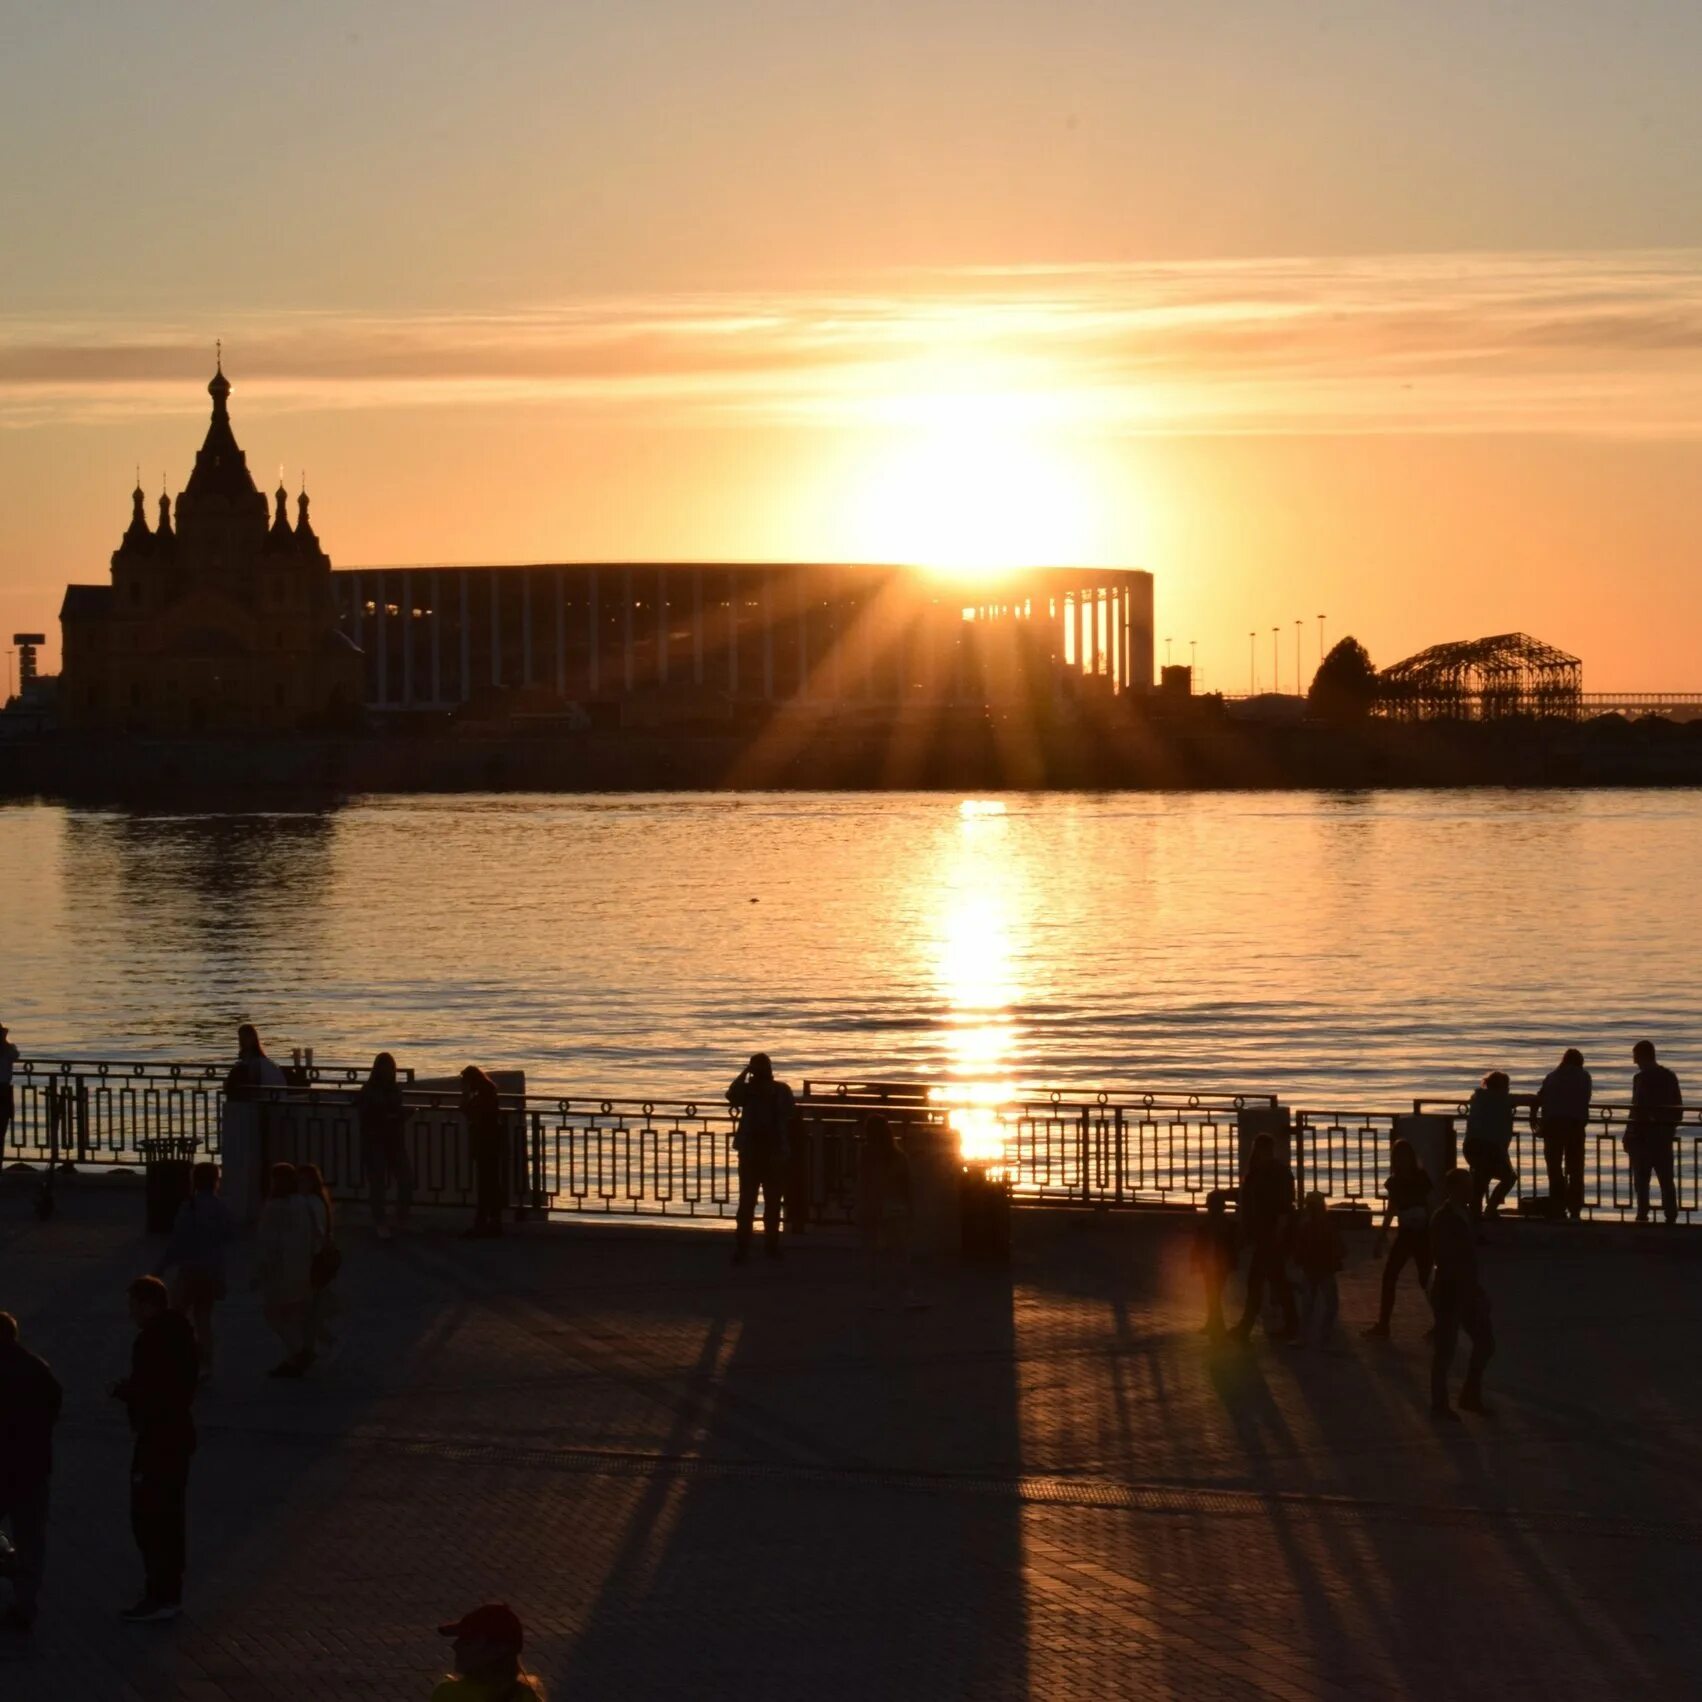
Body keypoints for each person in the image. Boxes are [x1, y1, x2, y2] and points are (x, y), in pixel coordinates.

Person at [109, 1275, 197, 1620]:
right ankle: (166, 1589)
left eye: (134, 1306)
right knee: (168, 1516)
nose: (131, 1314)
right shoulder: (181, 1336)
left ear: (148, 1305)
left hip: (159, 1438)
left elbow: (155, 1391)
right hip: (176, 1435)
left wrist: (126, 1392)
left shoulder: (152, 1341)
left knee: (150, 1517)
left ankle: (161, 1593)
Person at [0, 1312, 62, 1635]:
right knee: (31, 1542)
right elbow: (54, 1409)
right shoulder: (39, 1369)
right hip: (32, 1469)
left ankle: (6, 1560)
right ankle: (25, 1606)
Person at [156, 1162, 234, 1382]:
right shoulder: (221, 1207)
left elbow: (176, 1244)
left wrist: (159, 1269)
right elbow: (230, 1234)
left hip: (190, 1270)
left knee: (175, 1316)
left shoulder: (189, 1207)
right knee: (203, 1319)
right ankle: (206, 1364)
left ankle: (176, 1360)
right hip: (212, 1270)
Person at [1429, 1168, 1495, 1420]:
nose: (1471, 1191)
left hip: (1466, 1291)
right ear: (1453, 1189)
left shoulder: (1465, 1214)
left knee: (1486, 1343)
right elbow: (1446, 1260)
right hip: (1450, 1292)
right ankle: (1439, 1403)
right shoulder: (1443, 1218)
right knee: (1445, 1351)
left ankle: (1469, 1394)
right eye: (1465, 1186)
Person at [726, 1053, 796, 1264]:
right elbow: (791, 1115)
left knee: (747, 1203)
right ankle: (771, 1246)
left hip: (752, 1154)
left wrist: (745, 1073)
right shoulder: (782, 1090)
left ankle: (743, 1247)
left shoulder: (749, 1091)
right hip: (774, 1154)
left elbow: (730, 1094)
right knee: (772, 1203)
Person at [1231, 1133, 1299, 1344]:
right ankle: (1287, 1324)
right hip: (1263, 1235)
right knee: (1272, 1281)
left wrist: (1279, 1234)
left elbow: (1284, 1208)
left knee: (1265, 1281)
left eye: (1265, 1150)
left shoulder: (1278, 1173)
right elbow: (1249, 1207)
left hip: (1272, 1236)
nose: (1262, 1154)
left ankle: (1249, 1326)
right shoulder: (1257, 1174)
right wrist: (1245, 1233)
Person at [252, 1164, 318, 1377]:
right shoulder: (301, 1203)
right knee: (293, 1314)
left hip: (280, 1272)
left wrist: (259, 1273)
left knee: (273, 1313)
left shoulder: (273, 1208)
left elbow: (267, 1245)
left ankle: (298, 1352)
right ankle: (294, 1357)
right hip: (301, 1268)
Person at [1364, 1139, 1434, 1339]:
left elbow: (1429, 1206)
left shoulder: (1421, 1178)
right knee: (1389, 1276)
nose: (1402, 1160)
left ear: (1411, 1158)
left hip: (1421, 1233)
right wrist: (1381, 1235)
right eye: (1399, 1156)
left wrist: (1433, 1232)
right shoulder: (1394, 1182)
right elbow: (1391, 1209)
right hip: (1405, 1233)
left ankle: (1441, 1323)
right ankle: (1383, 1325)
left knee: (1425, 1279)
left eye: (1405, 1156)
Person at [220, 1023, 288, 1225]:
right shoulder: (254, 1064)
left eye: (244, 1037)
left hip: (260, 1116)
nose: (241, 1041)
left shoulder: (257, 1065)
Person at [859, 1114, 918, 1309]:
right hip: (895, 1208)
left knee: (873, 1252)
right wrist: (910, 1208)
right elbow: (907, 1185)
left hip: (874, 1208)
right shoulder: (898, 1156)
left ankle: (875, 1292)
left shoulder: (866, 1154)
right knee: (899, 1252)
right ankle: (904, 1291)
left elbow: (863, 1183)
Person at [432, 1601, 543, 1700]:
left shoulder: (449, 1695)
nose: (456, 1646)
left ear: (497, 1651)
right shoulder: (526, 1697)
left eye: (468, 1642)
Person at [1531, 1048, 1592, 1222]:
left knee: (1555, 1168)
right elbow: (1585, 1099)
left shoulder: (1552, 1076)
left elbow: (1539, 1098)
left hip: (1553, 1126)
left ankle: (1558, 1206)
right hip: (1575, 1126)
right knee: (1575, 1168)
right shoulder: (1585, 1077)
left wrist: (1534, 1119)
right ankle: (1575, 1209)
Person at [356, 1051, 413, 1240]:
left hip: (394, 1140)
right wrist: (388, 1117)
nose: (388, 1071)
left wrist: (402, 1115)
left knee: (405, 1179)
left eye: (391, 1068)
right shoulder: (369, 1090)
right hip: (375, 1141)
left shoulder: (395, 1089)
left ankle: (401, 1218)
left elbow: (395, 1111)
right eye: (385, 1067)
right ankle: (380, 1221)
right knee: (378, 1183)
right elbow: (365, 1116)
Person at [1627, 1040, 1684, 1225]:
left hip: (1643, 1137)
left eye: (1636, 1057)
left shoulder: (1640, 1079)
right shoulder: (1669, 1076)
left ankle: (1642, 1215)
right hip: (1663, 1136)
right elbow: (1678, 1110)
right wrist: (1668, 1126)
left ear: (1642, 1056)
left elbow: (1635, 1109)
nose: (1635, 1061)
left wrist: (1630, 1133)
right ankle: (1671, 1215)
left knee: (1642, 1180)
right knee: (1666, 1179)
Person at [297, 1162, 340, 1364]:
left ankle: (313, 1346)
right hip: (317, 1259)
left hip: (312, 1260)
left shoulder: (309, 1203)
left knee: (307, 1307)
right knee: (310, 1306)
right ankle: (319, 1342)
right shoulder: (318, 1201)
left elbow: (316, 1234)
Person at [1462, 1071, 1518, 1220]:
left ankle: (1476, 1214)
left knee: (1481, 1178)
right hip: (1489, 1147)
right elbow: (1526, 1099)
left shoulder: (1478, 1098)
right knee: (1509, 1177)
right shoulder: (1501, 1098)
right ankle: (1490, 1209)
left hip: (1471, 1146)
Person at [460, 1067, 507, 1238]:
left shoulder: (483, 1098)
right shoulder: (489, 1094)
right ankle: (494, 1222)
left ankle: (482, 1224)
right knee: (491, 1184)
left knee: (486, 1185)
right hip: (491, 1144)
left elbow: (467, 1111)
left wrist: (465, 1095)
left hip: (485, 1145)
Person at [1292, 1192, 1344, 1348]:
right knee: (1330, 1304)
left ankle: (1304, 1337)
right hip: (1325, 1268)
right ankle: (1323, 1336)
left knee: (1308, 1304)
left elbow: (1299, 1250)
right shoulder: (1328, 1224)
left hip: (1310, 1268)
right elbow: (1339, 1246)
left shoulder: (1306, 1226)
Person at [1190, 1189, 1237, 1340]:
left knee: (1213, 1295)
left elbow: (1198, 1246)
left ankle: (1217, 1326)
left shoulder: (1210, 1225)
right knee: (1213, 1295)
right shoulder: (1226, 1225)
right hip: (1214, 1265)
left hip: (1215, 1265)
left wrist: (1194, 1262)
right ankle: (1213, 1324)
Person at [0, 1023, 18, 1144]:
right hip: (3, 1090)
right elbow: (15, 1055)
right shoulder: (8, 1049)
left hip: (4, 1090)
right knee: (1, 1131)